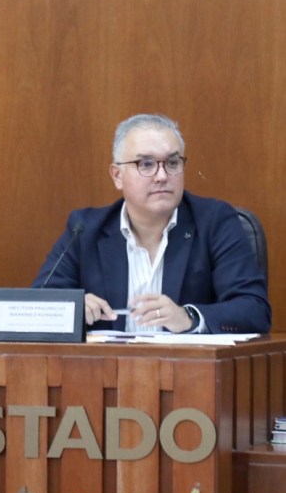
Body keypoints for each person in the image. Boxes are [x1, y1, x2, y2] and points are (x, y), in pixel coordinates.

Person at [33, 113, 270, 334]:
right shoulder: (84, 229)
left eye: (172, 163)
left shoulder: (214, 222)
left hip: (186, 365)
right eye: (146, 164)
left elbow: (254, 310)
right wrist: (72, 308)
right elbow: (36, 306)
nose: (162, 176)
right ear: (117, 176)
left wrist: (188, 318)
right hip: (107, 365)